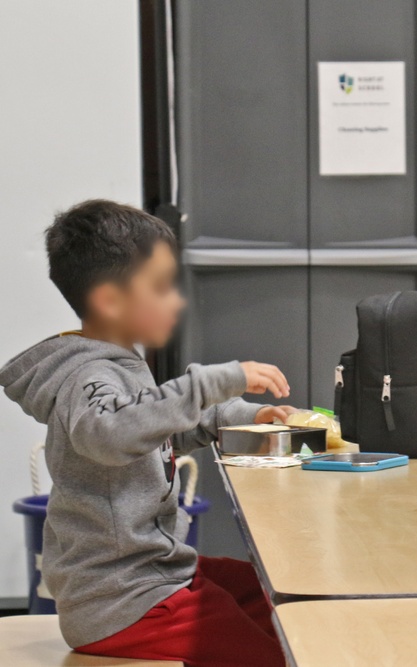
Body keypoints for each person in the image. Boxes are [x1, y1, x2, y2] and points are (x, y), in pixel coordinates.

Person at [0, 200, 292, 666]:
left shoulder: (123, 366)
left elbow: (156, 429)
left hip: (153, 574)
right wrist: (216, 380)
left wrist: (239, 416)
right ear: (110, 301)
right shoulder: (89, 377)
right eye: (160, 288)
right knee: (266, 652)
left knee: (269, 593)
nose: (176, 300)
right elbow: (111, 433)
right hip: (120, 602)